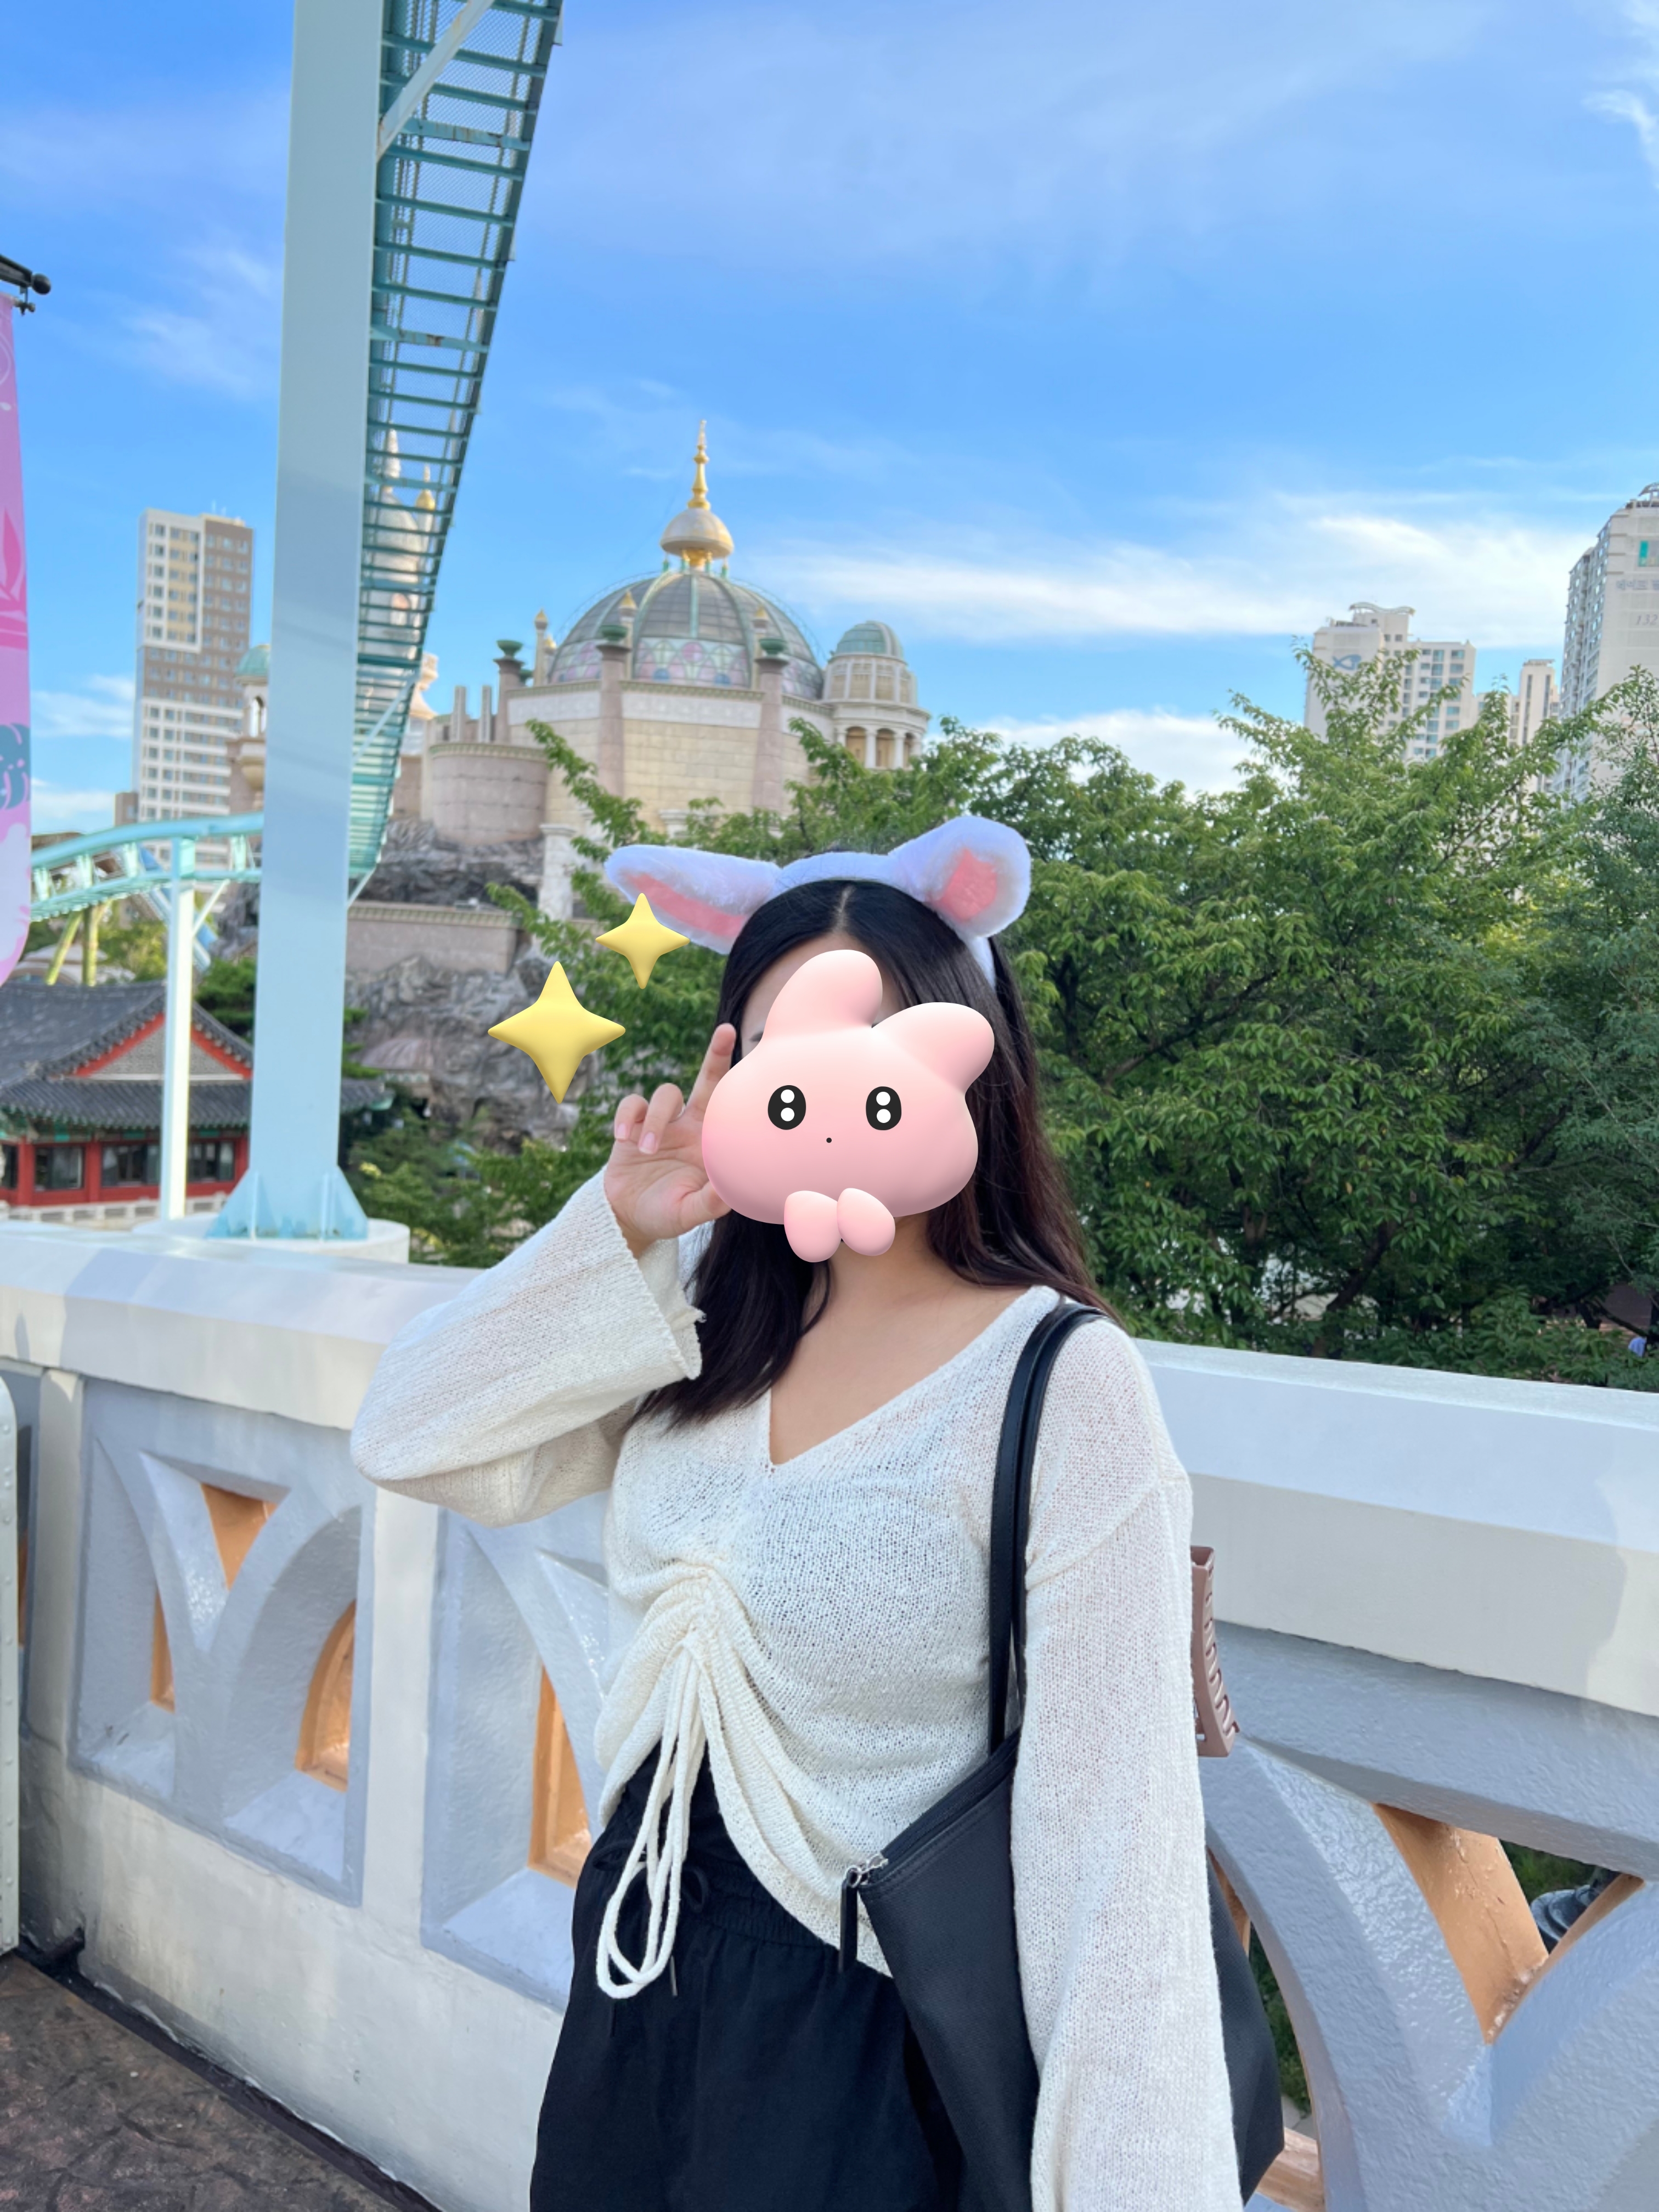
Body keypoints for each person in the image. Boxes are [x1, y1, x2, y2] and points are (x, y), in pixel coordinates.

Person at [351, 839, 1240, 2212]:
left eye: (864, 1043)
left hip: (869, 2039)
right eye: (773, 1047)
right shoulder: (703, 1328)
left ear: (964, 1065)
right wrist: (621, 1228)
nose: (818, 1089)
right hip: (639, 1979)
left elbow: (1117, 1864)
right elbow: (411, 1434)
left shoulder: (1058, 1382)